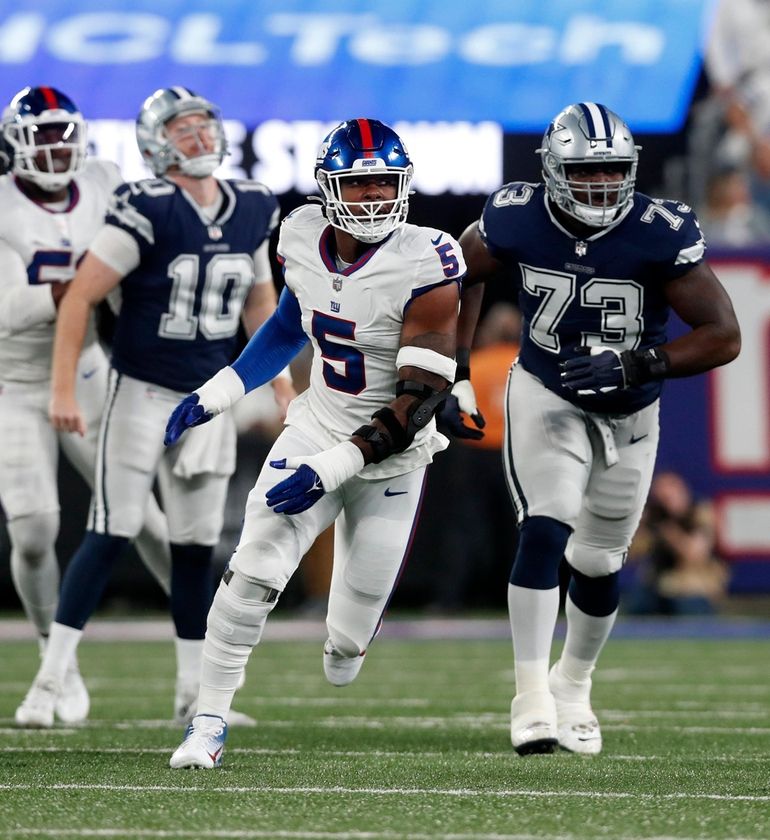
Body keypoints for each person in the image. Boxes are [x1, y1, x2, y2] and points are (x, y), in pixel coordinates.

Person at [165, 117, 464, 769]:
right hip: (316, 427)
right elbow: (285, 325)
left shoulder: (428, 259)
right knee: (252, 571)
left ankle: (347, 642)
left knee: (348, 640)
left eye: (384, 183)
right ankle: (207, 722)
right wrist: (217, 393)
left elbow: (415, 404)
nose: (373, 198)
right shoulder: (298, 233)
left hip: (393, 454)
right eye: (358, 186)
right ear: (329, 188)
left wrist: (334, 467)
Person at [446, 102, 741, 756]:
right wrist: (456, 368)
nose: (602, 185)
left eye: (612, 171)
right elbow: (460, 275)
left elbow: (725, 336)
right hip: (547, 392)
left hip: (632, 409)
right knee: (546, 526)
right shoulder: (516, 215)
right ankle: (530, 697)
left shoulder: (659, 232)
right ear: (553, 170)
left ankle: (573, 684)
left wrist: (640, 361)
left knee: (601, 561)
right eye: (587, 172)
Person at [14, 86, 293, 728]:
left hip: (209, 394)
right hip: (140, 386)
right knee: (111, 528)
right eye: (184, 130)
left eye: (204, 127)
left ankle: (194, 694)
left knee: (195, 547)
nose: (199, 139)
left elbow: (260, 302)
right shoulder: (145, 205)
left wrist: (280, 381)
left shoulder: (251, 203)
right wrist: (62, 387)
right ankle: (51, 680)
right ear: (156, 144)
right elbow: (81, 297)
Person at [0, 85, 172, 727]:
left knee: (147, 517)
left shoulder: (103, 181)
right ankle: (55, 661)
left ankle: (206, 647)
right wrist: (88, 285)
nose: (55, 147)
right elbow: (10, 311)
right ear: (14, 145)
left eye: (63, 133)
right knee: (34, 529)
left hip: (89, 369)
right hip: (12, 384)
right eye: (41, 136)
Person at [625, 471, 729, 616]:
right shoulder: (655, 517)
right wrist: (638, 526)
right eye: (661, 498)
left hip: (693, 585)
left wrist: (669, 531)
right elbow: (631, 555)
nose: (666, 502)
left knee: (689, 607)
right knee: (640, 604)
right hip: (659, 582)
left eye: (669, 495)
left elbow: (695, 554)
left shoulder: (699, 512)